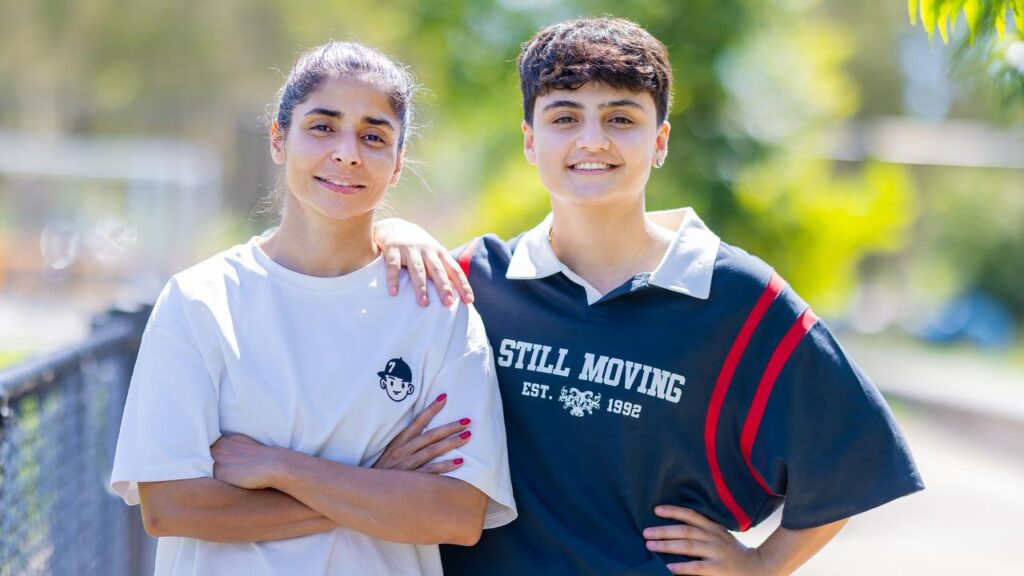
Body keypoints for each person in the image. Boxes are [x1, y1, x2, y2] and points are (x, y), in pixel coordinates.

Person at [375, 17, 923, 575]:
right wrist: (389, 233)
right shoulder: (469, 280)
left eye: (621, 118)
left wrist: (761, 565)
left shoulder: (736, 295)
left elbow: (853, 456)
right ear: (530, 140)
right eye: (565, 117)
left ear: (659, 140)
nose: (593, 139)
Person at [109, 41, 516, 576]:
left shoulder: (437, 308)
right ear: (279, 139)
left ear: (396, 166)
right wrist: (375, 482)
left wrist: (282, 467)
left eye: (374, 136)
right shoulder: (201, 299)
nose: (348, 152)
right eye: (323, 127)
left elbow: (455, 514)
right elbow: (172, 508)